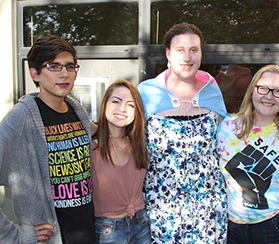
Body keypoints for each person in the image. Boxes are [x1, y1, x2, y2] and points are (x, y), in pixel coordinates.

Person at [137, 22, 228, 243]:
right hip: (161, 206)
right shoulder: (146, 92)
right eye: (180, 50)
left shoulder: (212, 89)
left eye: (194, 50)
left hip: (207, 206)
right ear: (168, 53)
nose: (187, 57)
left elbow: (228, 138)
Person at [0, 35, 95, 243]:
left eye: (70, 67)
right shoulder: (20, 120)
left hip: (88, 234)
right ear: (35, 74)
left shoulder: (77, 112)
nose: (64, 73)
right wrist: (15, 236)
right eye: (54, 66)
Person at [217, 64, 279, 243]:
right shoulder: (227, 128)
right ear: (252, 90)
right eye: (263, 88)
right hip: (234, 226)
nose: (269, 96)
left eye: (278, 91)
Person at [91, 79, 151, 243]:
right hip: (108, 229)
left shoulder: (139, 142)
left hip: (141, 224)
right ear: (105, 104)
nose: (122, 109)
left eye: (131, 105)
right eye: (116, 101)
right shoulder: (91, 143)